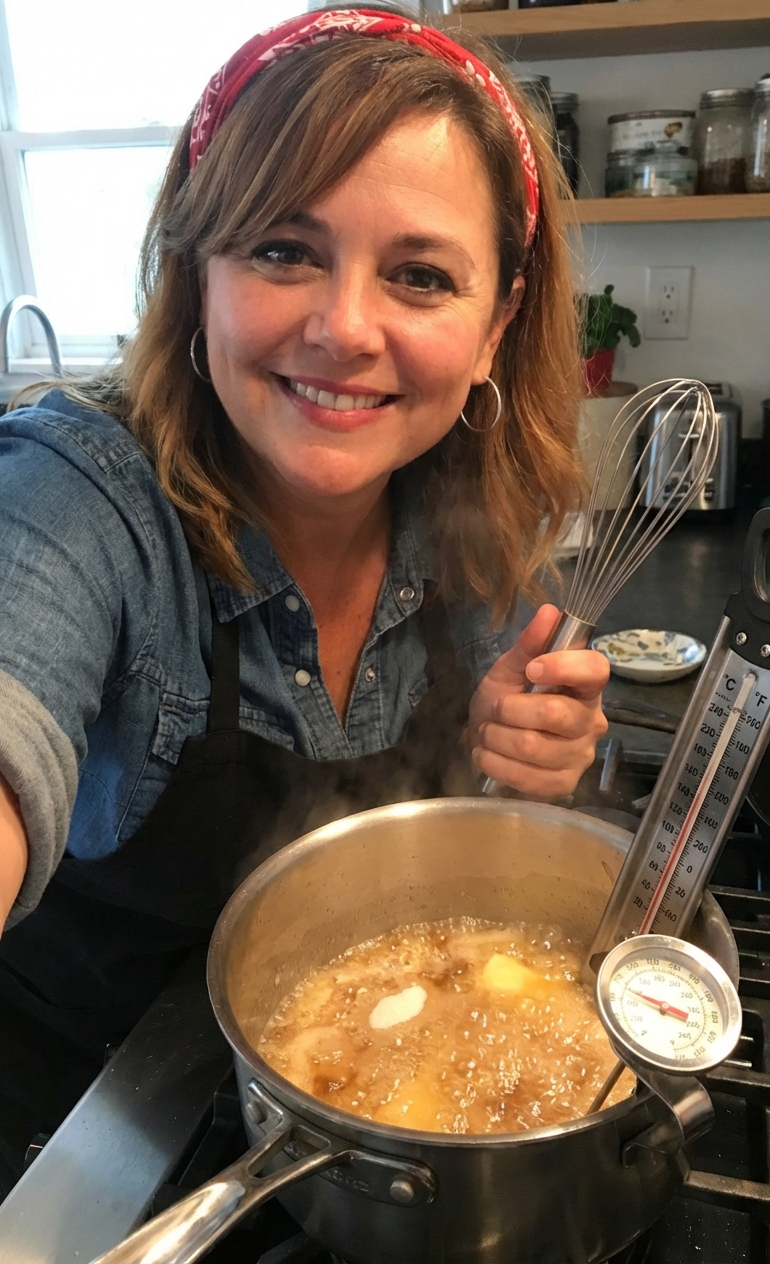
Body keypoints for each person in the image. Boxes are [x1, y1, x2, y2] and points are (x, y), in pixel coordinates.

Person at [0, 6, 608, 1192]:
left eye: (419, 275)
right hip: (74, 1153)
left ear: (494, 324)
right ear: (198, 268)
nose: (341, 329)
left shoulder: (475, 526)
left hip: (356, 1133)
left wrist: (532, 762)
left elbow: (475, 850)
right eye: (283, 249)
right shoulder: (81, 496)